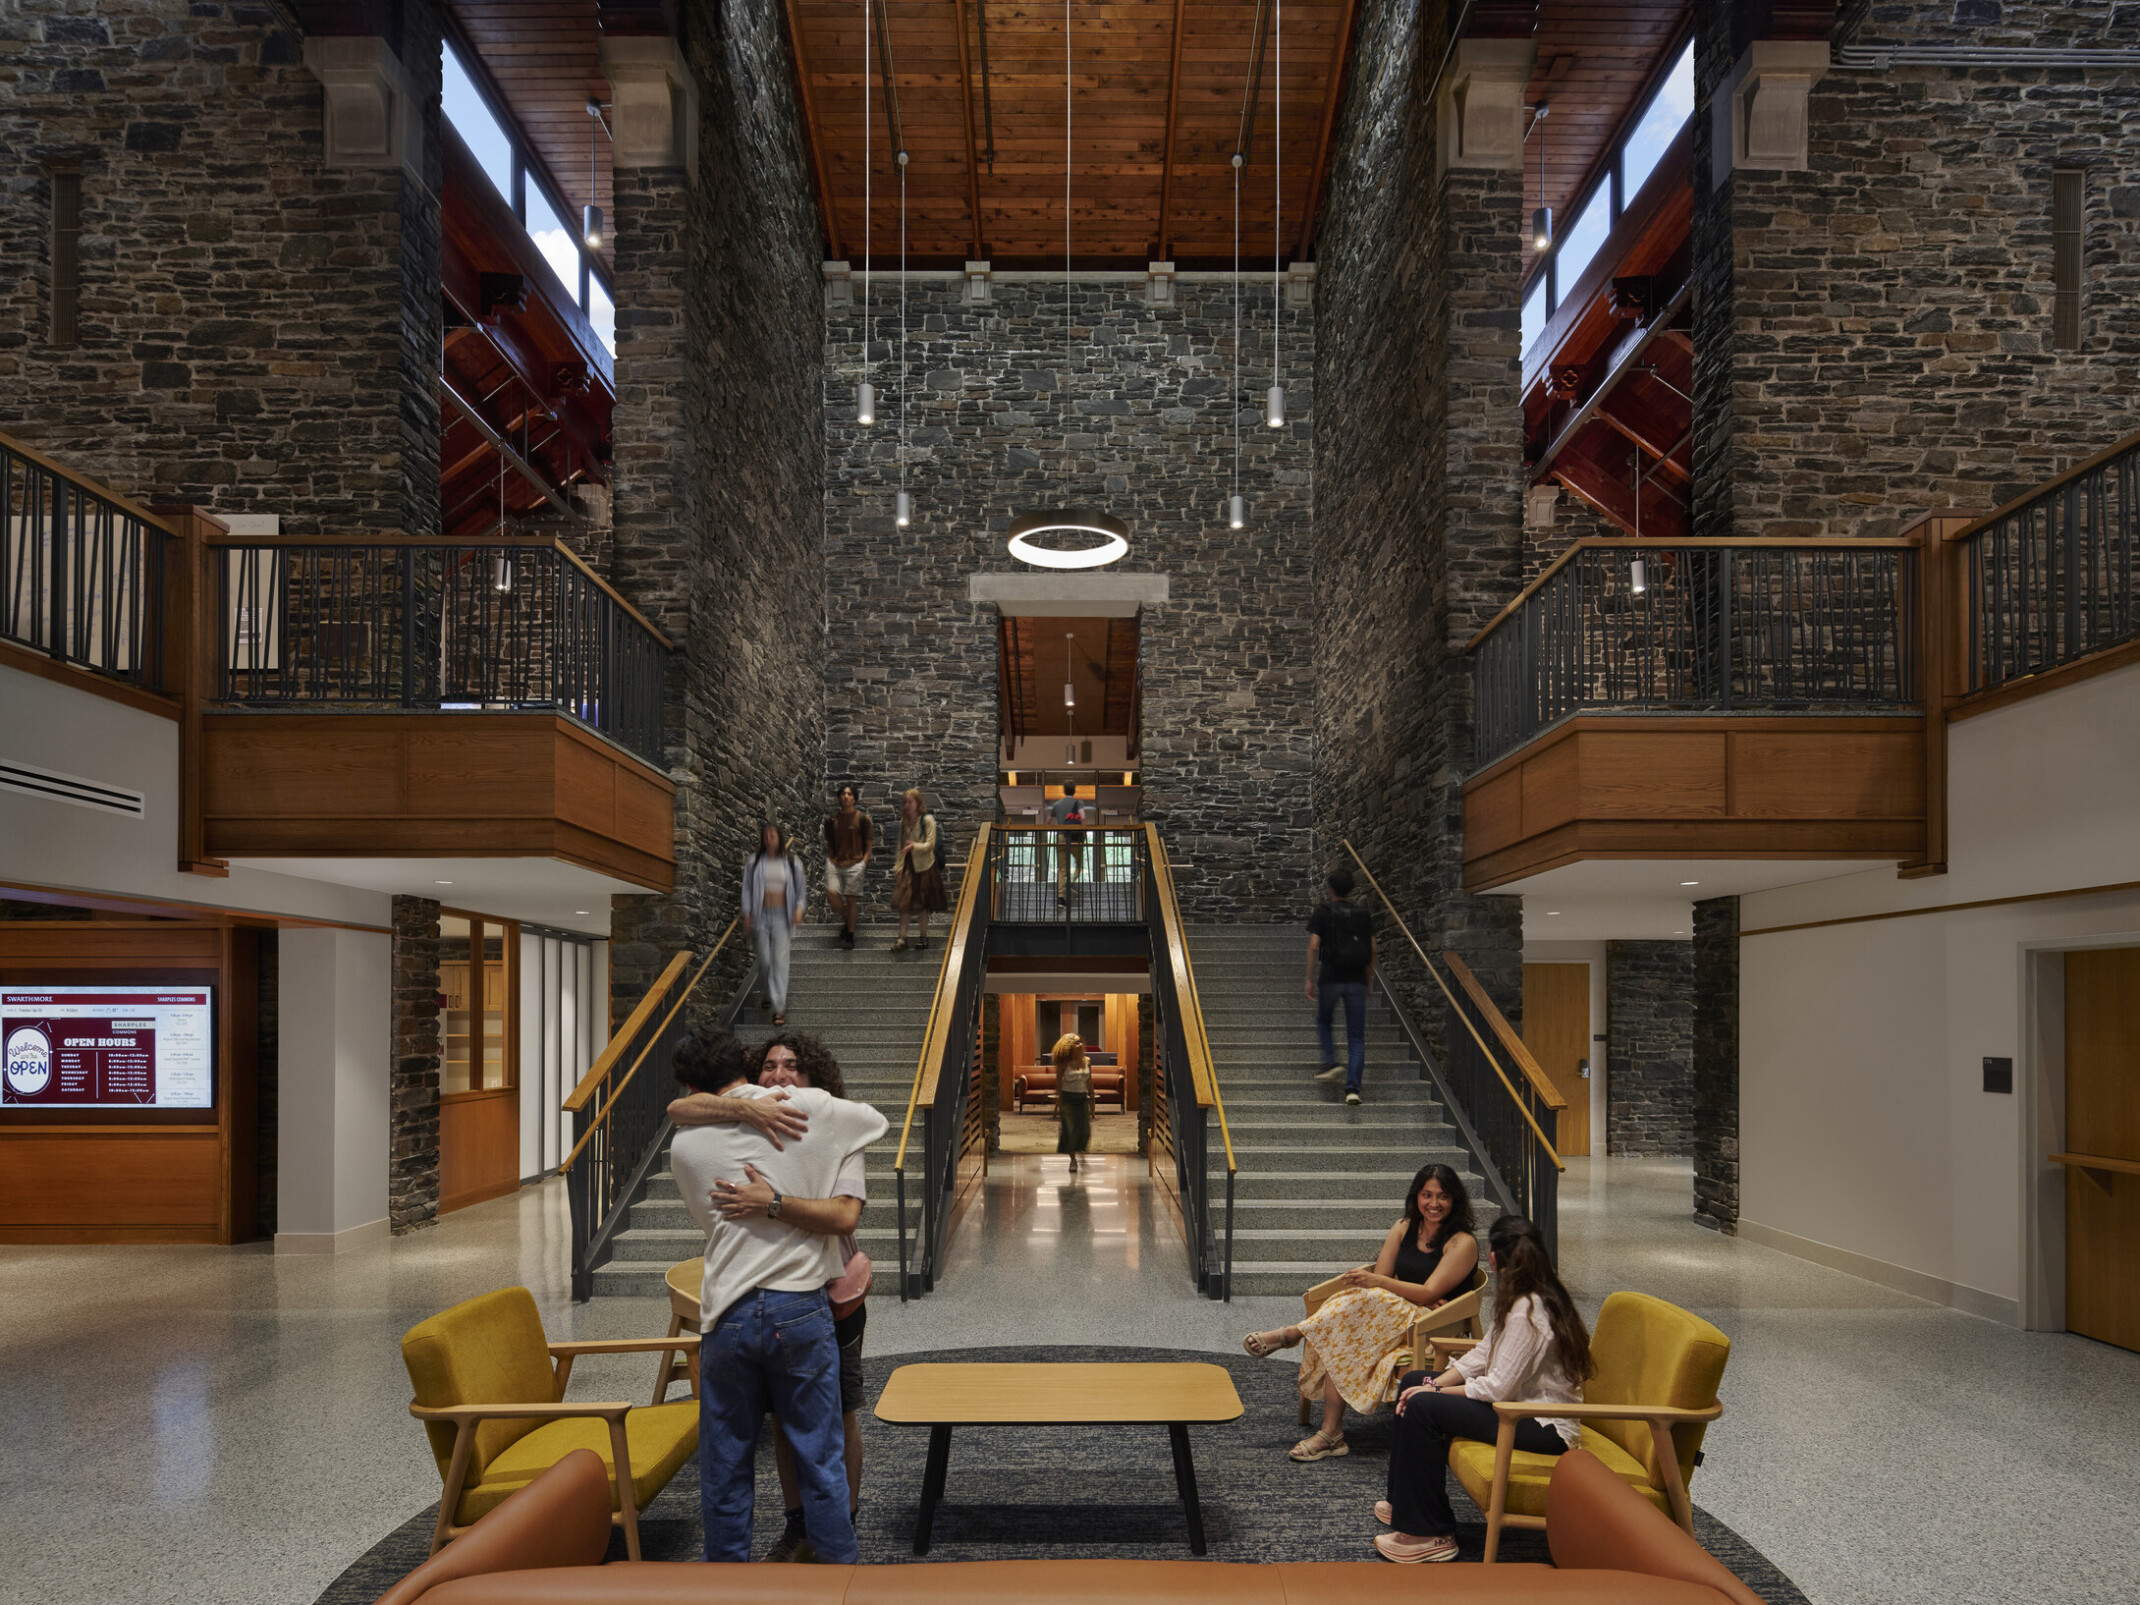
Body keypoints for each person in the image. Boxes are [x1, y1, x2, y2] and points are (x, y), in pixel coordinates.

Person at [667, 1027, 887, 1565]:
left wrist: (738, 1114)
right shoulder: (814, 1110)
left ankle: (728, 1586)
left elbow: (683, 1121)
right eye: (770, 1066)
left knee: (726, 1466)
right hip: (800, 1306)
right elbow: (876, 1121)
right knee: (819, 1453)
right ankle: (839, 1577)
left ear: (693, 1082)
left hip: (729, 1312)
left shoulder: (684, 1144)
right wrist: (758, 1112)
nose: (780, 1077)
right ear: (748, 1061)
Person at [1374, 1214, 1592, 1564]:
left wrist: (1436, 1396)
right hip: (1519, 1409)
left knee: (1423, 1406)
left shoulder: (1528, 1310)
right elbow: (1482, 1354)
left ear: (1493, 1257)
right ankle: (1405, 1502)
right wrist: (1433, 1382)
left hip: (1544, 1427)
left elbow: (1498, 1388)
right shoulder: (1525, 1294)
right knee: (1414, 1381)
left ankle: (1430, 1533)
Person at [1241, 1164, 1480, 1462]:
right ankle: (1331, 1434)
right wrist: (1404, 1289)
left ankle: (1293, 1334)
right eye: (1426, 1195)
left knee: (1364, 1305)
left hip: (1432, 1328)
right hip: (1391, 1316)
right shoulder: (1404, 1227)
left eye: (1442, 1196)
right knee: (1347, 1327)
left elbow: (1418, 1290)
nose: (1433, 1204)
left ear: (1455, 1199)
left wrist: (1405, 1290)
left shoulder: (1462, 1242)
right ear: (1416, 1196)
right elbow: (1380, 1284)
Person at [1306, 865, 1377, 1105]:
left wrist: (1309, 979)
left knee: (1324, 1021)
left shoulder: (1323, 912)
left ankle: (1331, 1061)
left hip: (1330, 978)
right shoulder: (1363, 915)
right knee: (1356, 1036)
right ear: (1351, 890)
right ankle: (1353, 1089)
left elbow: (1314, 946)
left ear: (1331, 888)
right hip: (1356, 979)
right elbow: (1373, 950)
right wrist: (1368, 981)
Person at [744, 823, 807, 1024]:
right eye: (766, 835)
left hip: (782, 915)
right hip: (760, 914)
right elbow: (746, 889)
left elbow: (800, 890)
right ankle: (766, 993)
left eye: (773, 834)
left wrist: (798, 909)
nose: (769, 837)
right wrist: (747, 913)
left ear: (780, 837)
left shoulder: (791, 862)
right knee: (764, 960)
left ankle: (779, 1008)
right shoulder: (754, 862)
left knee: (779, 960)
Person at [889, 787, 947, 951]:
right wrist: (898, 867)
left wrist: (914, 845)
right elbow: (901, 846)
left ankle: (923, 937)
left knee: (922, 904)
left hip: (925, 867)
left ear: (917, 803)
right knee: (904, 903)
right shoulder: (903, 822)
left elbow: (930, 844)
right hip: (908, 867)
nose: (907, 805)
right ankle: (902, 938)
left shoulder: (927, 820)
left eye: (910, 801)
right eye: (905, 802)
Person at [822, 785, 873, 949]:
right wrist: (830, 857)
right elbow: (830, 841)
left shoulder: (863, 819)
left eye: (849, 794)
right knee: (832, 893)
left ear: (854, 798)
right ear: (839, 797)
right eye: (843, 794)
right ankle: (846, 916)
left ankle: (850, 935)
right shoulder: (832, 820)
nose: (846, 796)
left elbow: (869, 843)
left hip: (855, 863)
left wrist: (863, 862)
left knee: (851, 901)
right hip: (835, 862)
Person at [1051, 1031, 1093, 1174]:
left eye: (1080, 1041)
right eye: (1076, 1042)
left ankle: (1081, 1154)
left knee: (1084, 1130)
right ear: (1069, 1046)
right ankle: (1073, 1160)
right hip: (1068, 1099)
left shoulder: (1087, 1060)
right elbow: (1058, 1084)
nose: (1079, 1044)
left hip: (1082, 1098)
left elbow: (1089, 1081)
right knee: (1070, 1131)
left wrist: (1092, 1099)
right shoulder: (1063, 1063)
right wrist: (1058, 1105)